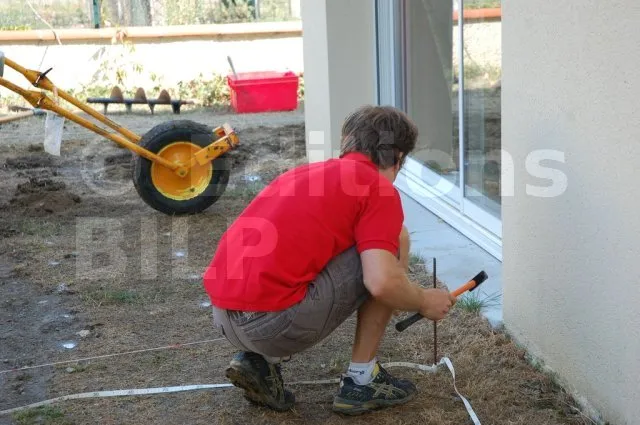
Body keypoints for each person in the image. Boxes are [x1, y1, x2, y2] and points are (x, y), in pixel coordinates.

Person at [203, 105, 456, 415]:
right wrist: (423, 300)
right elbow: (382, 282)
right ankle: (362, 380)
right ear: (399, 158)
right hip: (271, 326)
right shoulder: (377, 188)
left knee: (336, 248)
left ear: (348, 142)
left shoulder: (306, 173)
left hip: (223, 317)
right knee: (393, 243)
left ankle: (261, 362)